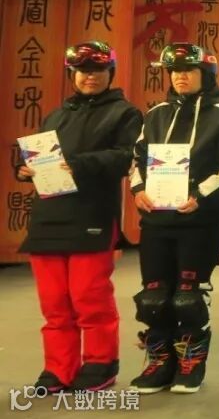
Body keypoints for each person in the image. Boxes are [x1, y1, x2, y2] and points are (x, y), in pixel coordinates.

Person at [18, 42, 142, 394]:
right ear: (72, 74)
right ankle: (58, 369)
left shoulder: (125, 113)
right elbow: (39, 158)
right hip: (48, 216)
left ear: (110, 74)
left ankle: (101, 363)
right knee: (54, 303)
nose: (90, 77)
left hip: (92, 214)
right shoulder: (56, 115)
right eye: (83, 71)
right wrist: (24, 170)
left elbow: (126, 157)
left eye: (98, 70)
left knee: (90, 297)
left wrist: (79, 164)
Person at [129, 43, 219, 394]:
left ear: (205, 75)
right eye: (174, 71)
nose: (180, 77)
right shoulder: (156, 114)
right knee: (153, 297)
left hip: (199, 223)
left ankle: (191, 362)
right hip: (156, 222)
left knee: (188, 298)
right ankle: (159, 361)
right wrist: (138, 190)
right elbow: (137, 159)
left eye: (188, 71)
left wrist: (199, 196)